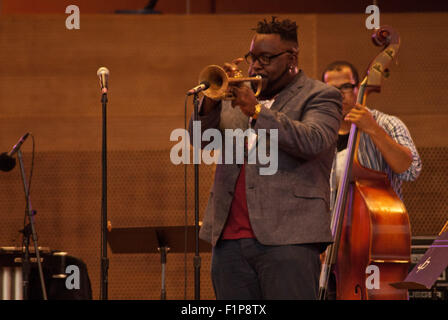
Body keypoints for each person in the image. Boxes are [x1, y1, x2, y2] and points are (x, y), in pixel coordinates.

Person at [189, 17, 342, 300]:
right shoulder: (238, 98)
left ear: (291, 57)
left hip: (289, 240)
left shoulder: (321, 96)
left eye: (266, 58)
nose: (256, 66)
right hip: (229, 241)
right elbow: (201, 140)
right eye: (253, 57)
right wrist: (209, 103)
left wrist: (258, 112)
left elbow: (313, 140)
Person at [321, 61, 422, 203]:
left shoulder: (387, 124)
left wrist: (373, 129)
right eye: (331, 89)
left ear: (358, 88)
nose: (340, 95)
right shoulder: (318, 131)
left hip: (376, 222)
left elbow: (411, 172)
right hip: (331, 224)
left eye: (346, 87)